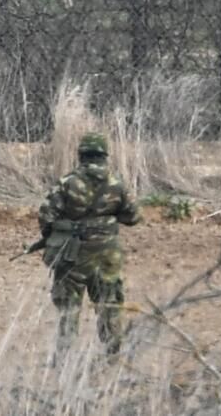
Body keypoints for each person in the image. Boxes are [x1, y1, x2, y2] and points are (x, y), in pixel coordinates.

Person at [37, 133, 142, 354]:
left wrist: (53, 236)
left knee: (69, 308)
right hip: (108, 255)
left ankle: (65, 358)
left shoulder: (67, 182)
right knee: (110, 304)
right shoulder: (118, 184)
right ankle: (113, 355)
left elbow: (46, 216)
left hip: (73, 254)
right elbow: (133, 217)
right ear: (104, 155)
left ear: (81, 155)